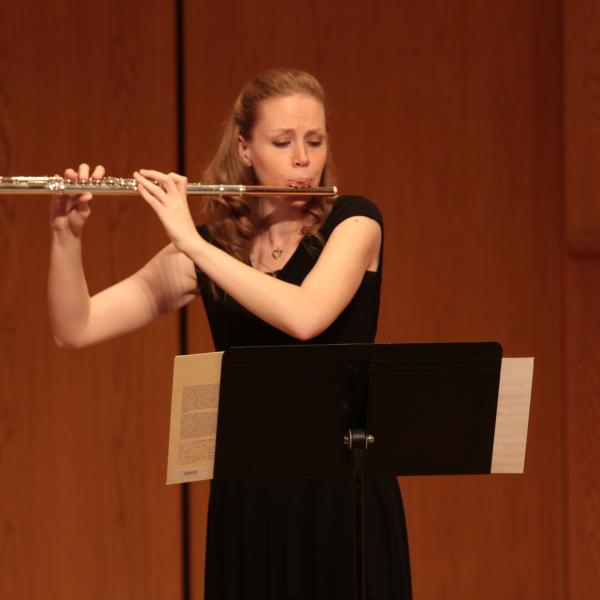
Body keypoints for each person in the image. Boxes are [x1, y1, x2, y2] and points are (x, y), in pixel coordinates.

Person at [48, 69, 412, 599]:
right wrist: (66, 237)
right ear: (245, 148)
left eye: (315, 141)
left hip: (343, 491)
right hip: (251, 494)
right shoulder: (214, 248)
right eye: (283, 142)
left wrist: (193, 246)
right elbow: (74, 327)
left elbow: (305, 316)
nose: (303, 159)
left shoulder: (355, 224)